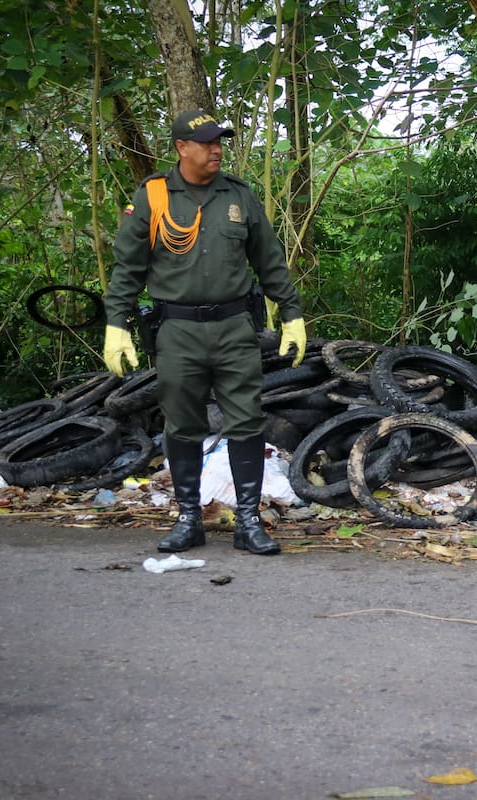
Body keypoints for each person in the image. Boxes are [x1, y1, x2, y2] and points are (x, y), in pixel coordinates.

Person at [102, 109, 307, 556]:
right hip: (177, 330)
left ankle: (248, 521)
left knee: (246, 421)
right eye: (207, 143)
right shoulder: (154, 196)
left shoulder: (237, 195)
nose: (216, 150)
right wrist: (116, 325)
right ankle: (188, 519)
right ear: (182, 147)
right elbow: (127, 269)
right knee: (182, 425)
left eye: (220, 142)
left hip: (235, 328)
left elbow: (269, 260)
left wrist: (292, 313)